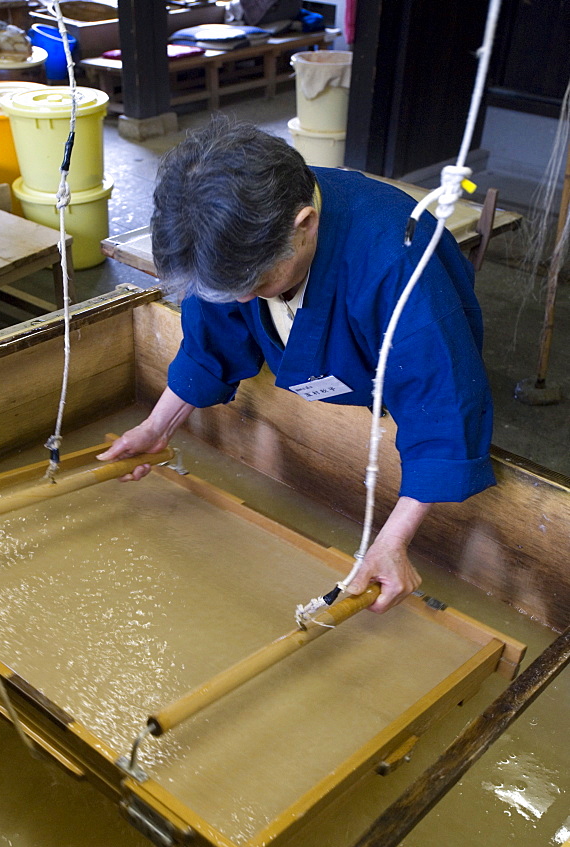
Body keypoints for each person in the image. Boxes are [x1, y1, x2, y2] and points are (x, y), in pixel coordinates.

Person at [98, 118, 496, 614]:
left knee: (429, 402)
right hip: (325, 376)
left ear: (304, 225)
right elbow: (211, 344)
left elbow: (442, 407)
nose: (241, 298)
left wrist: (391, 542)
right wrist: (157, 428)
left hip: (401, 389)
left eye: (256, 282)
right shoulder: (226, 238)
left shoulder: (399, 260)